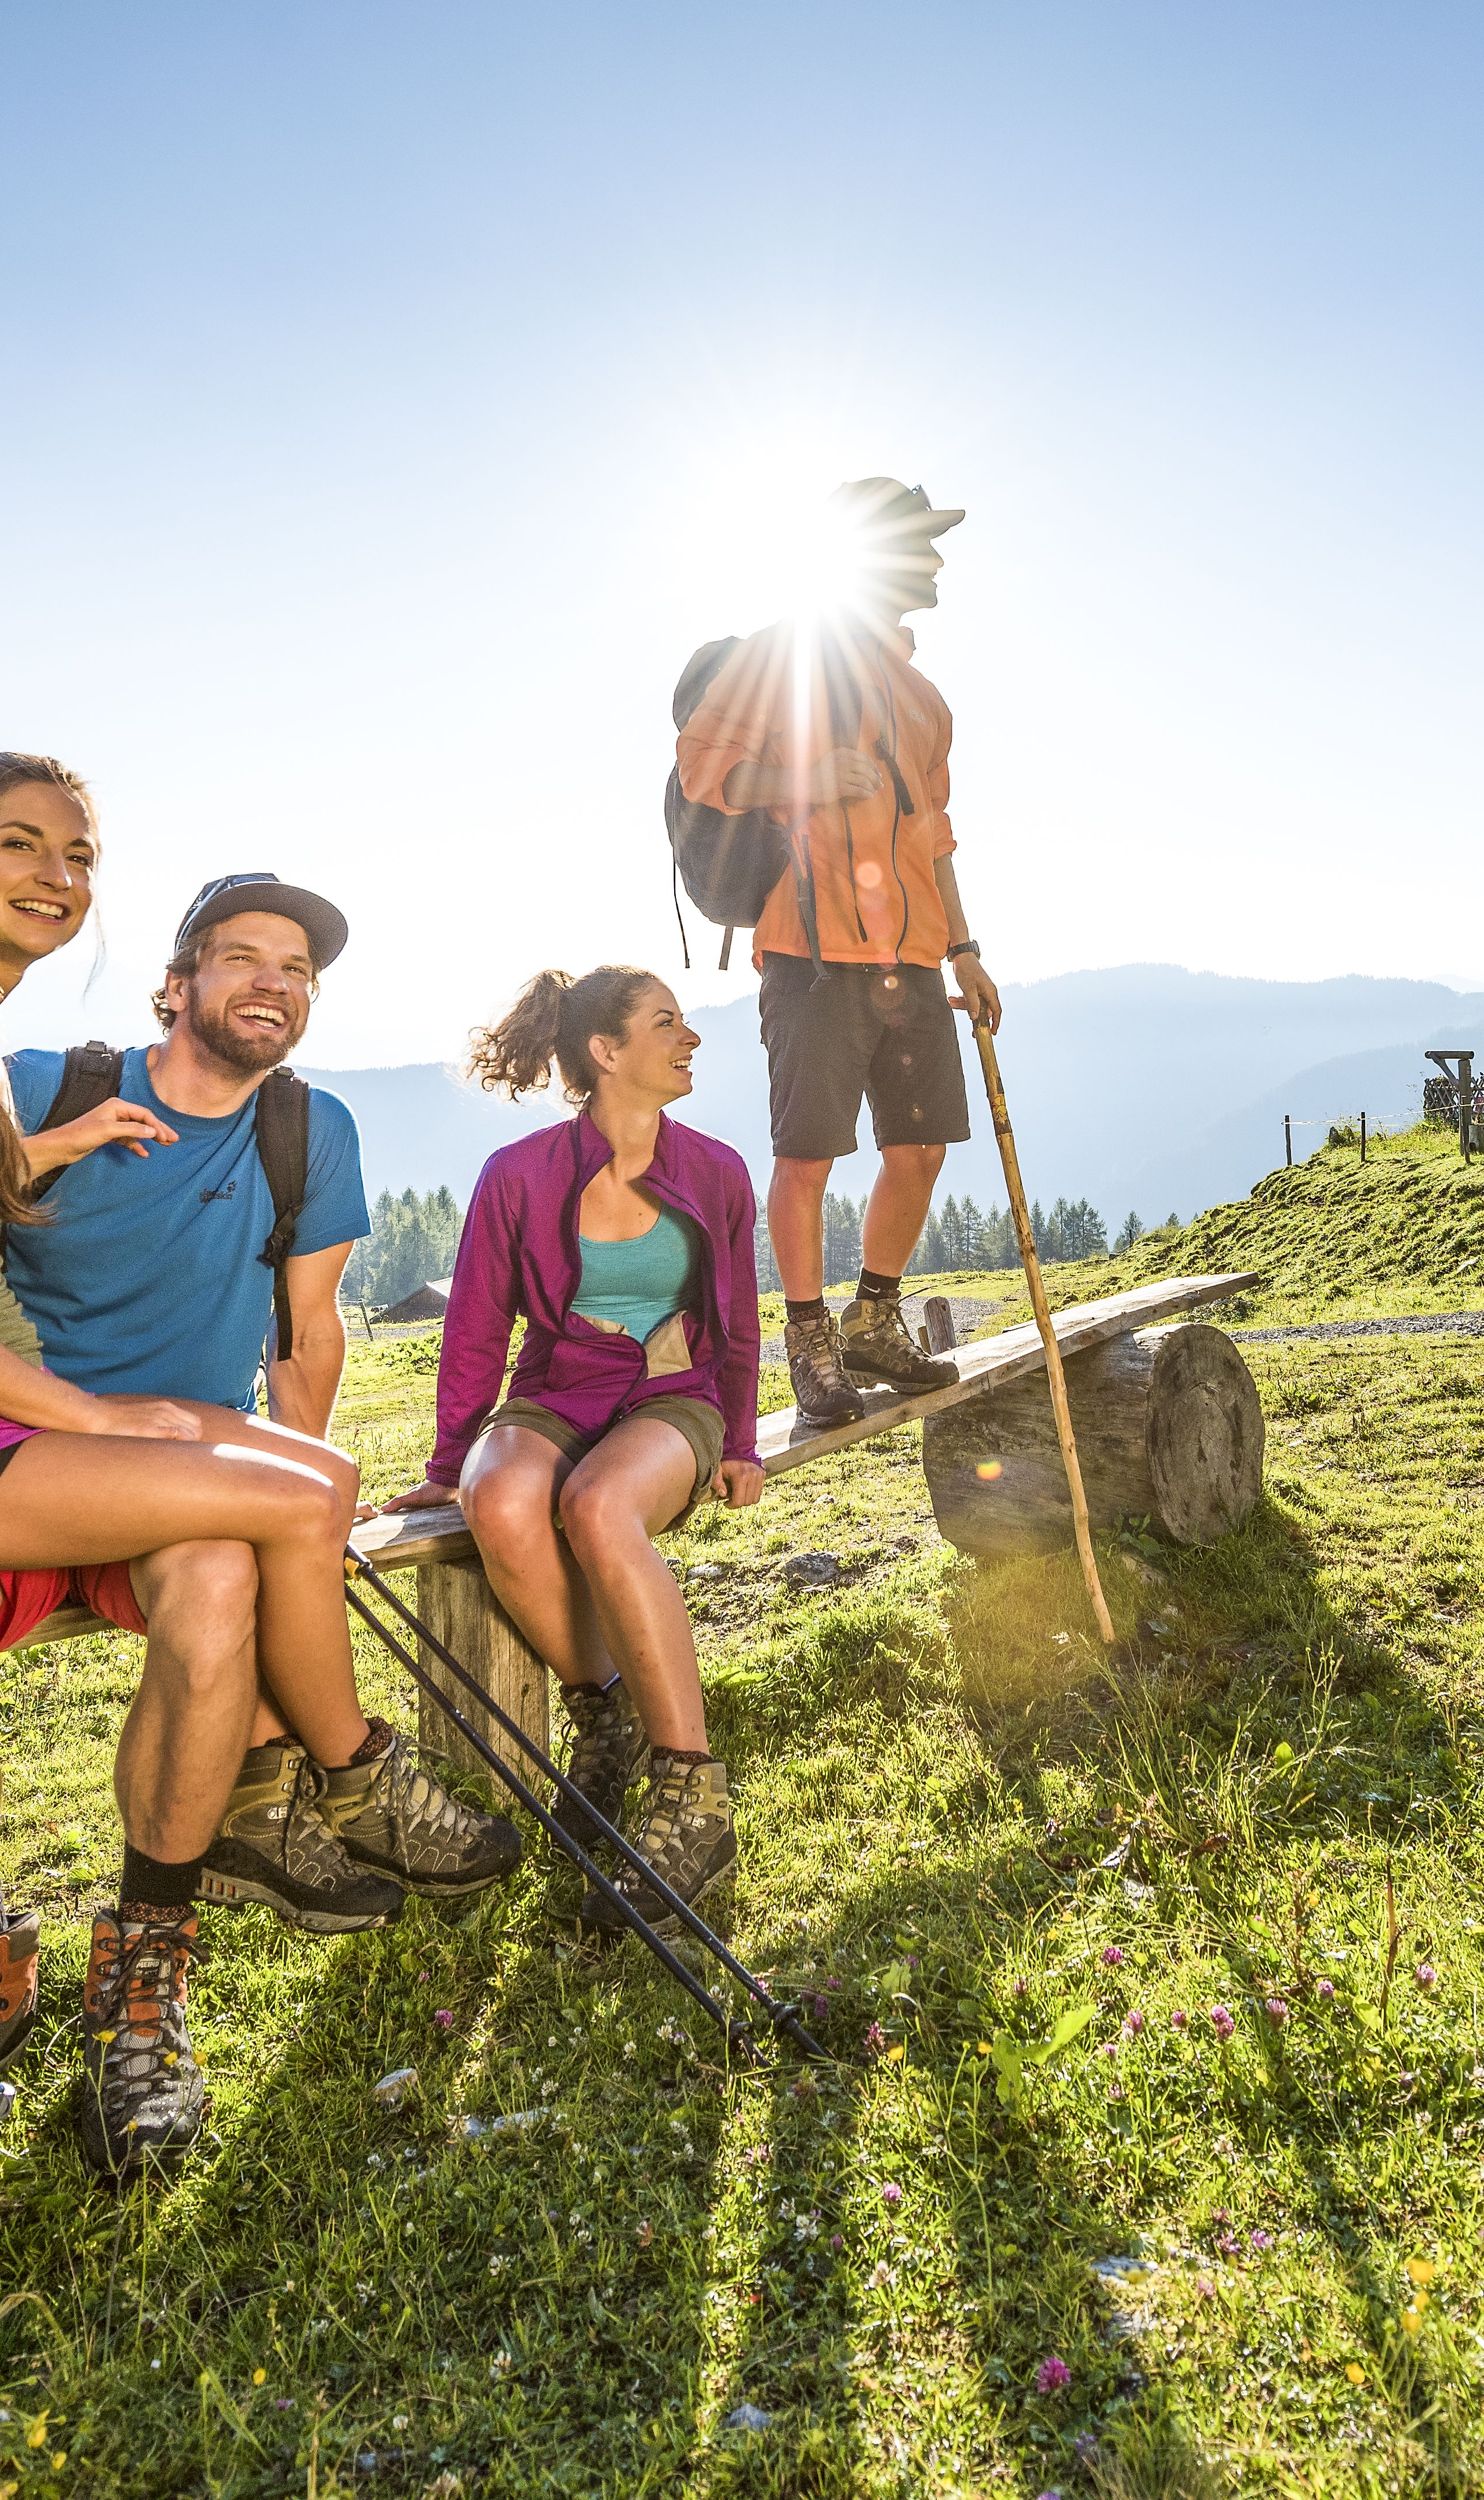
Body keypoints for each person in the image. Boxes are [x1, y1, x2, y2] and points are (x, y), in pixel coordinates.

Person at [0, 753, 386, 2181]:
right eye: (19, 845)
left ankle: (141, 1983)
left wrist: (52, 1147)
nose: (56, 874)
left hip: (7, 1444)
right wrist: (100, 1416)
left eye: (76, 853)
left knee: (232, 1549)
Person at [0, 871, 519, 1959]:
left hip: (174, 1462)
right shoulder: (39, 1086)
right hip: (2, 1449)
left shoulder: (308, 1127)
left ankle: (204, 1874)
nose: (275, 982)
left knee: (234, 1557)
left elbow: (307, 1328)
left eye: (297, 970)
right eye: (245, 956)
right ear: (176, 983)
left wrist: (291, 1489)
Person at [383, 968, 764, 1934]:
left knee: (597, 1505)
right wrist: (447, 1464)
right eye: (667, 1023)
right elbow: (473, 1326)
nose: (691, 1038)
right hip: (557, 1389)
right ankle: (606, 1715)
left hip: (674, 1395)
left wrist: (744, 1437)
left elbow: (741, 1323)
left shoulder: (716, 1168)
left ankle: (693, 1800)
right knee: (502, 1501)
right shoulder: (520, 1175)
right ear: (605, 1051)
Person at [670, 476, 1005, 1428]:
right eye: (919, 542)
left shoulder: (925, 701)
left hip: (916, 957)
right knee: (808, 1155)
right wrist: (802, 776)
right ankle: (809, 1340)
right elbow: (704, 764)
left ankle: (874, 1316)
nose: (935, 560)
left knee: (923, 1147)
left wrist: (969, 949)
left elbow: (934, 836)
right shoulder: (784, 657)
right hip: (810, 952)